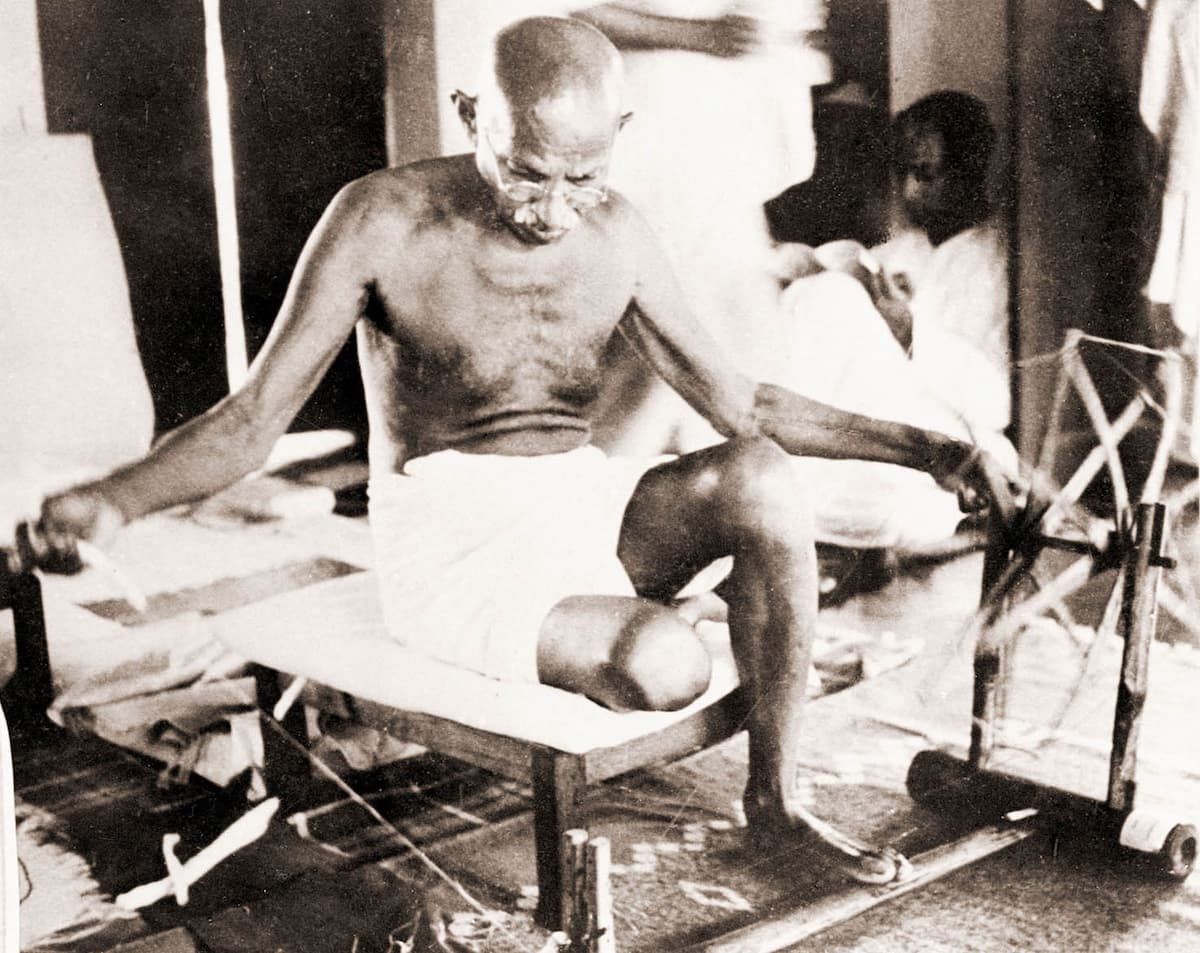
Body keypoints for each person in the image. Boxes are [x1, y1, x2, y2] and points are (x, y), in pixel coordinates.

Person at [24, 19, 1011, 884]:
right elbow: (252, 420)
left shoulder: (618, 230)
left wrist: (933, 449)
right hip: (452, 538)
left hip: (577, 496)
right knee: (667, 663)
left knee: (761, 476)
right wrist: (113, 500)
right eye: (525, 171)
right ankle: (650, 622)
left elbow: (741, 401)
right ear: (471, 116)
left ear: (618, 136)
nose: (551, 207)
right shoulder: (380, 219)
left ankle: (777, 803)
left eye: (582, 176)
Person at [571, 2, 830, 456]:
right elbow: (578, 17)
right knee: (658, 354)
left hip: (718, 178)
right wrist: (698, 35)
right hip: (652, 161)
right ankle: (596, 483)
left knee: (742, 355)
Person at [772, 90, 1012, 558]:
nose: (908, 192)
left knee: (889, 501)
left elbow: (997, 402)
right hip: (879, 421)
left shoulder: (1000, 263)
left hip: (949, 431)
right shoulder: (899, 251)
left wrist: (910, 332)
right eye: (902, 172)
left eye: (925, 174)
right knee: (822, 294)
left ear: (969, 170)